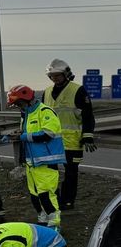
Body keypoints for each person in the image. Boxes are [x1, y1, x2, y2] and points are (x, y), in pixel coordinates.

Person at [9, 84, 66, 227]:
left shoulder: (45, 111)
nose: (18, 106)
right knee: (35, 195)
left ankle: (54, 224)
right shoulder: (26, 114)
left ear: (27, 99)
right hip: (32, 162)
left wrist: (22, 137)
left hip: (46, 162)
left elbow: (48, 134)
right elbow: (28, 133)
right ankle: (43, 220)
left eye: (18, 103)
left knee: (46, 194)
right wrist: (18, 134)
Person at [43, 59, 95, 210]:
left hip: (72, 141)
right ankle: (55, 200)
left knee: (71, 173)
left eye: (58, 75)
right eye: (52, 76)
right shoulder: (46, 92)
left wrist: (88, 136)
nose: (55, 78)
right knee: (50, 173)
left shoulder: (78, 90)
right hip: (51, 141)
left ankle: (67, 201)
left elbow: (88, 115)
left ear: (66, 74)